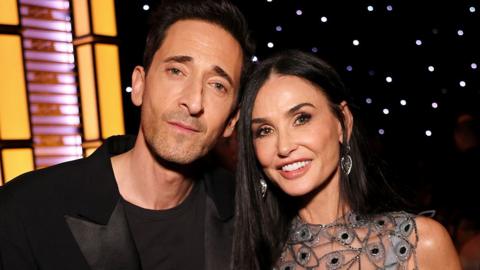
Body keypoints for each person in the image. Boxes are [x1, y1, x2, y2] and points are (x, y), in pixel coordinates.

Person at [0, 0, 254, 269]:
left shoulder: (249, 216)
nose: (193, 102)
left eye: (217, 85)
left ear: (231, 122)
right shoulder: (23, 212)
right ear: (139, 85)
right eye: (176, 71)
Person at [232, 50, 461, 270]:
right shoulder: (249, 257)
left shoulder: (419, 243)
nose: (283, 146)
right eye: (264, 131)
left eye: (301, 119)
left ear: (342, 122)